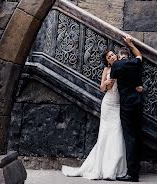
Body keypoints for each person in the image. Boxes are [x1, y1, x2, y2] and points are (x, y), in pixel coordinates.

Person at [61, 48, 128, 180]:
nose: (112, 57)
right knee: (104, 134)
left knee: (117, 132)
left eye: (113, 55)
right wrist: (106, 83)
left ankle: (114, 168)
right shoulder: (106, 70)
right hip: (108, 104)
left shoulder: (122, 66)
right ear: (107, 62)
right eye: (109, 57)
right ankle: (102, 168)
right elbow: (102, 88)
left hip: (118, 104)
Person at [111, 35, 144, 183]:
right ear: (128, 56)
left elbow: (112, 80)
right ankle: (136, 170)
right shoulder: (135, 62)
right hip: (138, 101)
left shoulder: (117, 66)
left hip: (126, 104)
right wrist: (130, 43)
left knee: (129, 137)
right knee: (137, 136)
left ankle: (132, 174)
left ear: (119, 56)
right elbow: (139, 55)